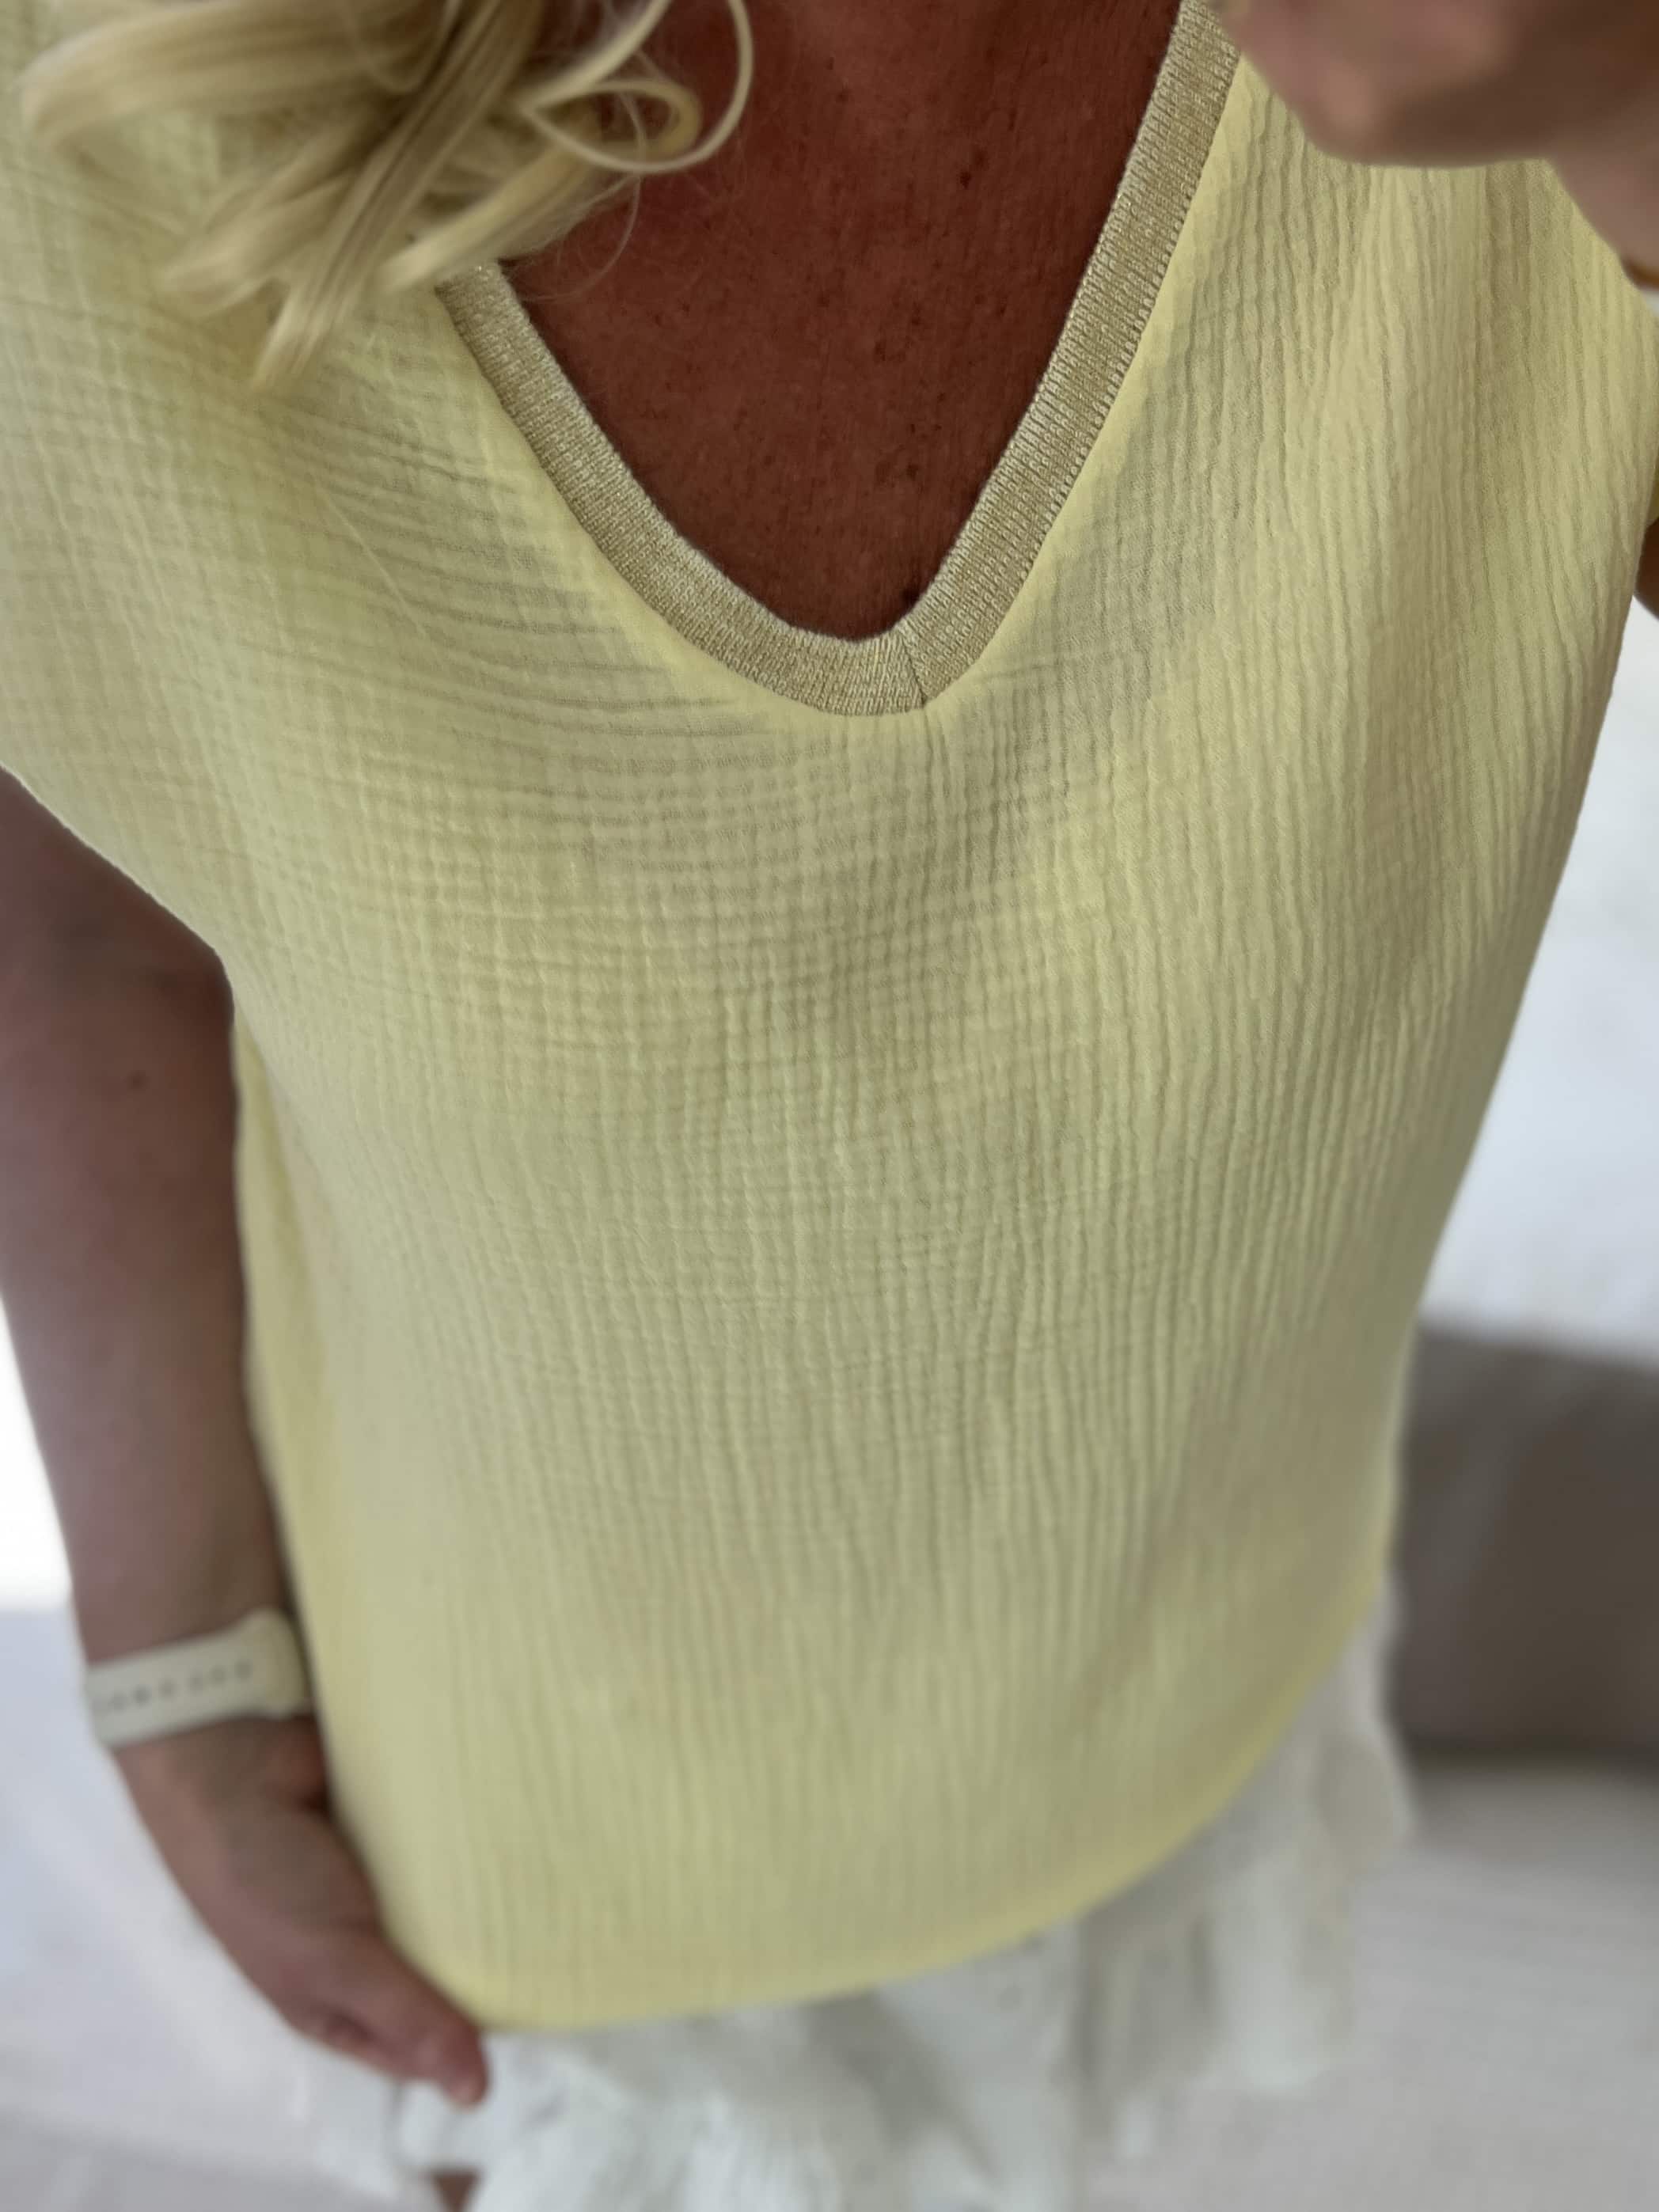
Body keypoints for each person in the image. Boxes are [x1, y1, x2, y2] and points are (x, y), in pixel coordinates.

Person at [3, 1, 1659, 2206]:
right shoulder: (59, 122)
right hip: (537, 1800)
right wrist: (180, 1670)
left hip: (1193, 1619)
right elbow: (79, 920)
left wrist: (1635, 115)